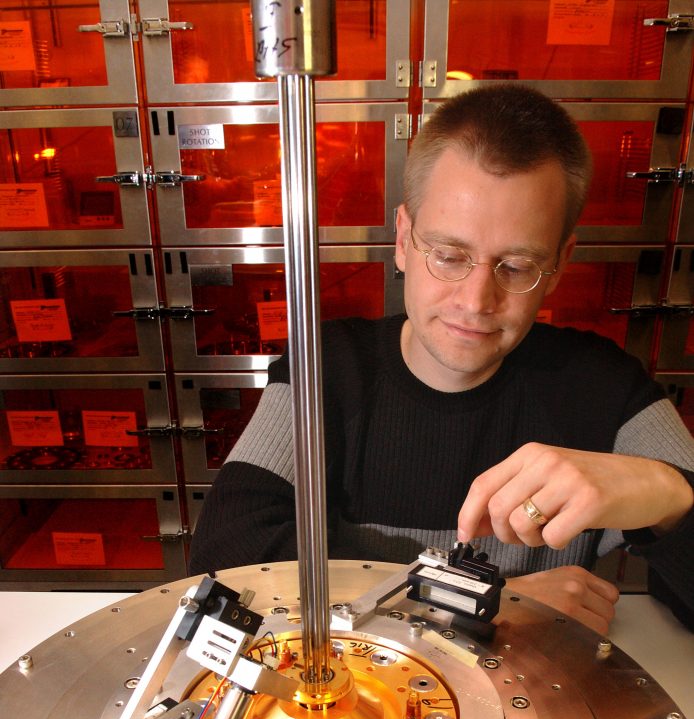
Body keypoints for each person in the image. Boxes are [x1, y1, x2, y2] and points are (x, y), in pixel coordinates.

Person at [189, 84, 694, 635]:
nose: (476, 302)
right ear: (403, 239)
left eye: (518, 266)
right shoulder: (324, 369)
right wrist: (478, 601)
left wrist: (671, 498)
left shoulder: (606, 389)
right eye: (450, 255)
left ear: (561, 262)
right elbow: (225, 567)